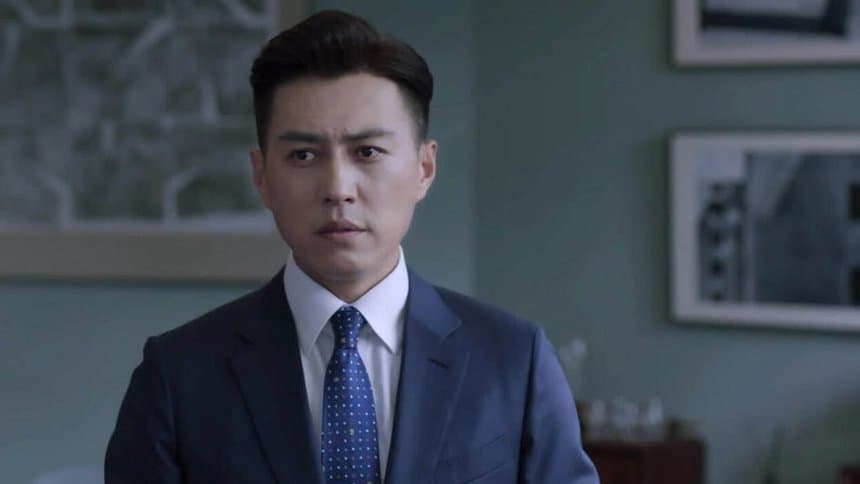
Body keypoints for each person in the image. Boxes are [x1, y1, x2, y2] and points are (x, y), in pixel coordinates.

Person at [105, 9, 598, 484]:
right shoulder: (179, 375)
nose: (338, 188)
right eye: (303, 155)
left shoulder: (514, 361)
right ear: (261, 176)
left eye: (368, 152)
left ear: (424, 168)